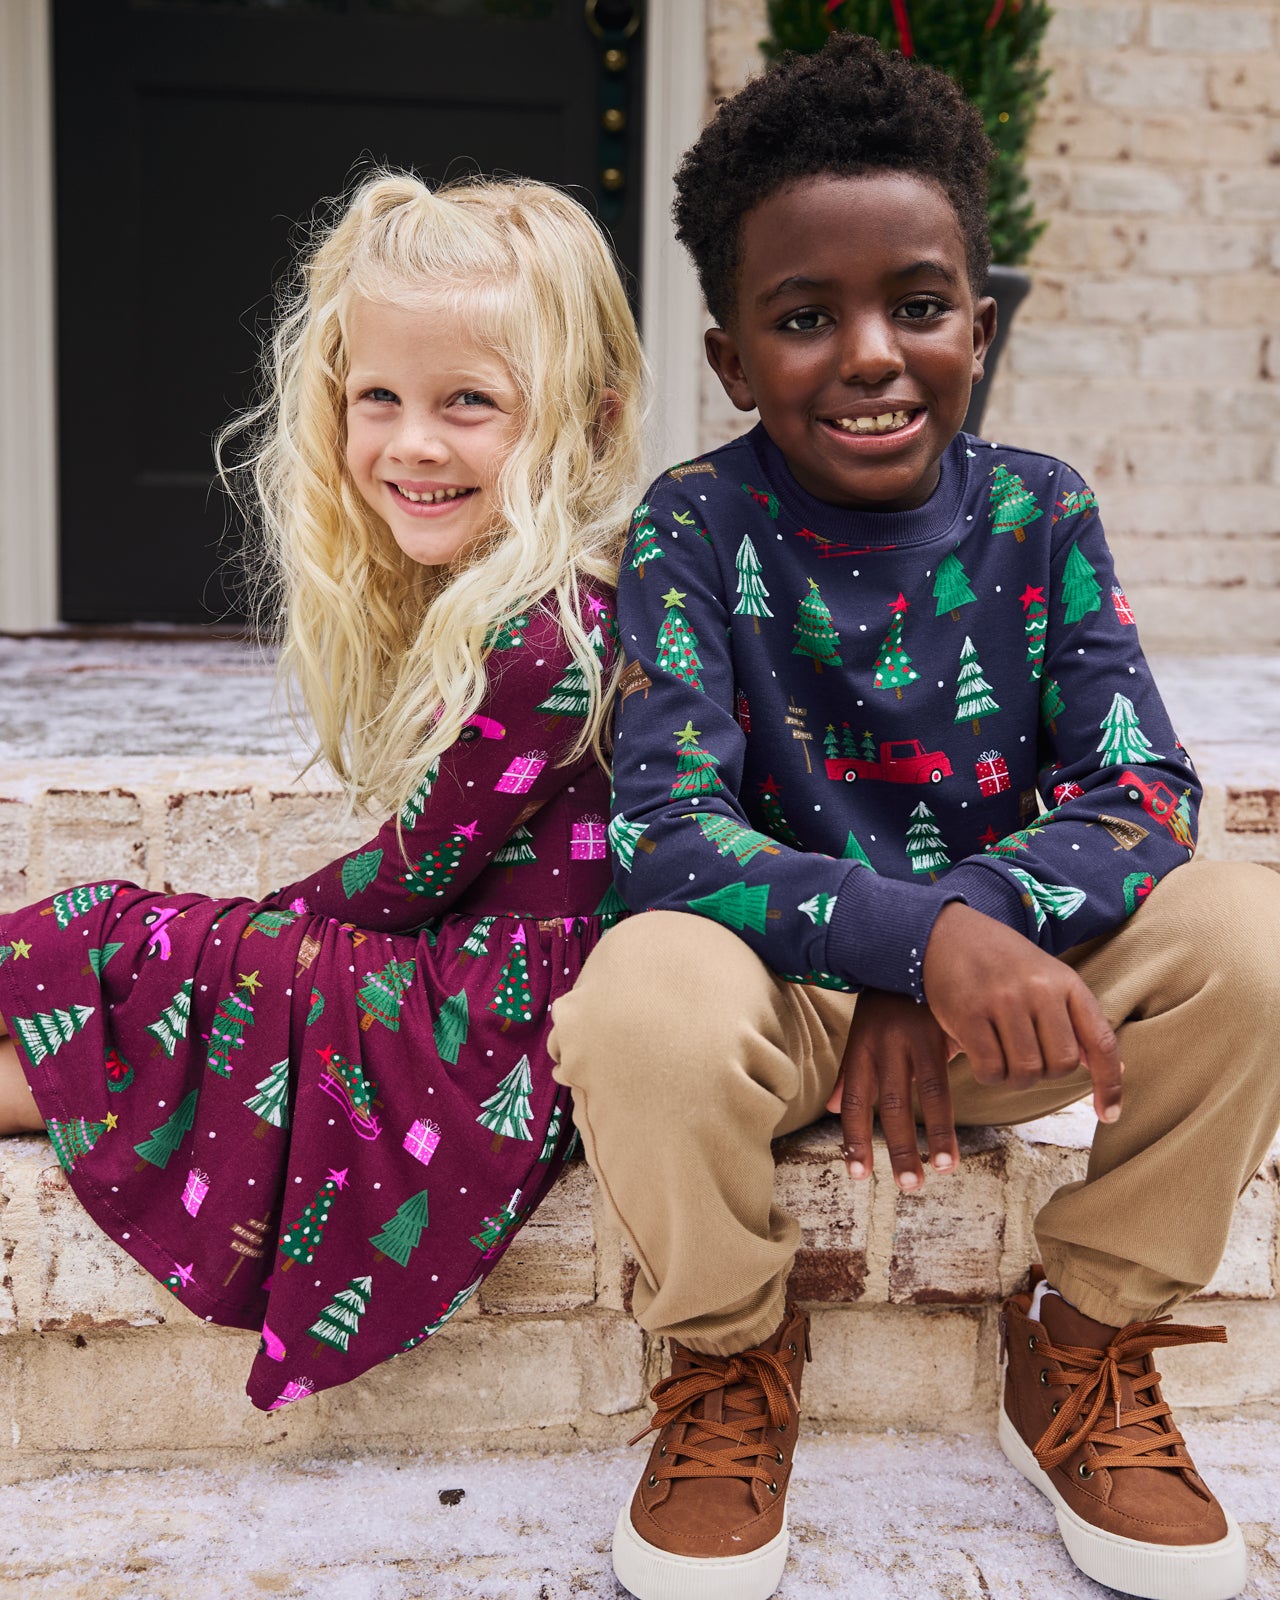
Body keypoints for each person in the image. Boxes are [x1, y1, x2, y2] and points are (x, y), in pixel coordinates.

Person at [547, 33, 1280, 1600]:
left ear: (981, 326)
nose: (872, 353)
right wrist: (906, 941)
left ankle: (1081, 1342)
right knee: (638, 999)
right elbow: (670, 830)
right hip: (785, 1003)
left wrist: (969, 934)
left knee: (1253, 930)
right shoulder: (696, 519)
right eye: (807, 319)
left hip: (1013, 1003)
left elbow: (1140, 789)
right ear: (736, 359)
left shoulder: (1042, 512)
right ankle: (732, 1357)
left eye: (920, 306)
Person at [0, 170, 646, 1411]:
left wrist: (226, 928)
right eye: (379, 398)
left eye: (470, 402)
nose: (412, 441)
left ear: (591, 422)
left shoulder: (555, 643)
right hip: (460, 972)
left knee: (131, 947)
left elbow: (408, 876)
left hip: (498, 1025)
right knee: (132, 952)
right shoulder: (514, 608)